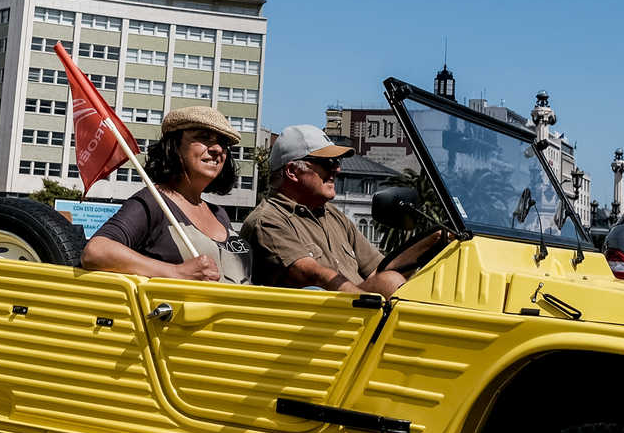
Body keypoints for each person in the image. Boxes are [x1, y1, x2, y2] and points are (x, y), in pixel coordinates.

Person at [242, 124, 443, 294]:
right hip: (315, 329)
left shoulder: (332, 215)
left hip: (353, 321)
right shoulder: (268, 220)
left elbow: (378, 269)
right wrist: (370, 300)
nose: (337, 169)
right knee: (388, 282)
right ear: (293, 171)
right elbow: (313, 274)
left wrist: (434, 241)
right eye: (327, 163)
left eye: (337, 162)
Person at [82, 106, 250, 282]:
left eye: (223, 143)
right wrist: (176, 272)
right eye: (203, 137)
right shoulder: (153, 202)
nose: (217, 148)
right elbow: (96, 251)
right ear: (175, 146)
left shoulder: (219, 214)